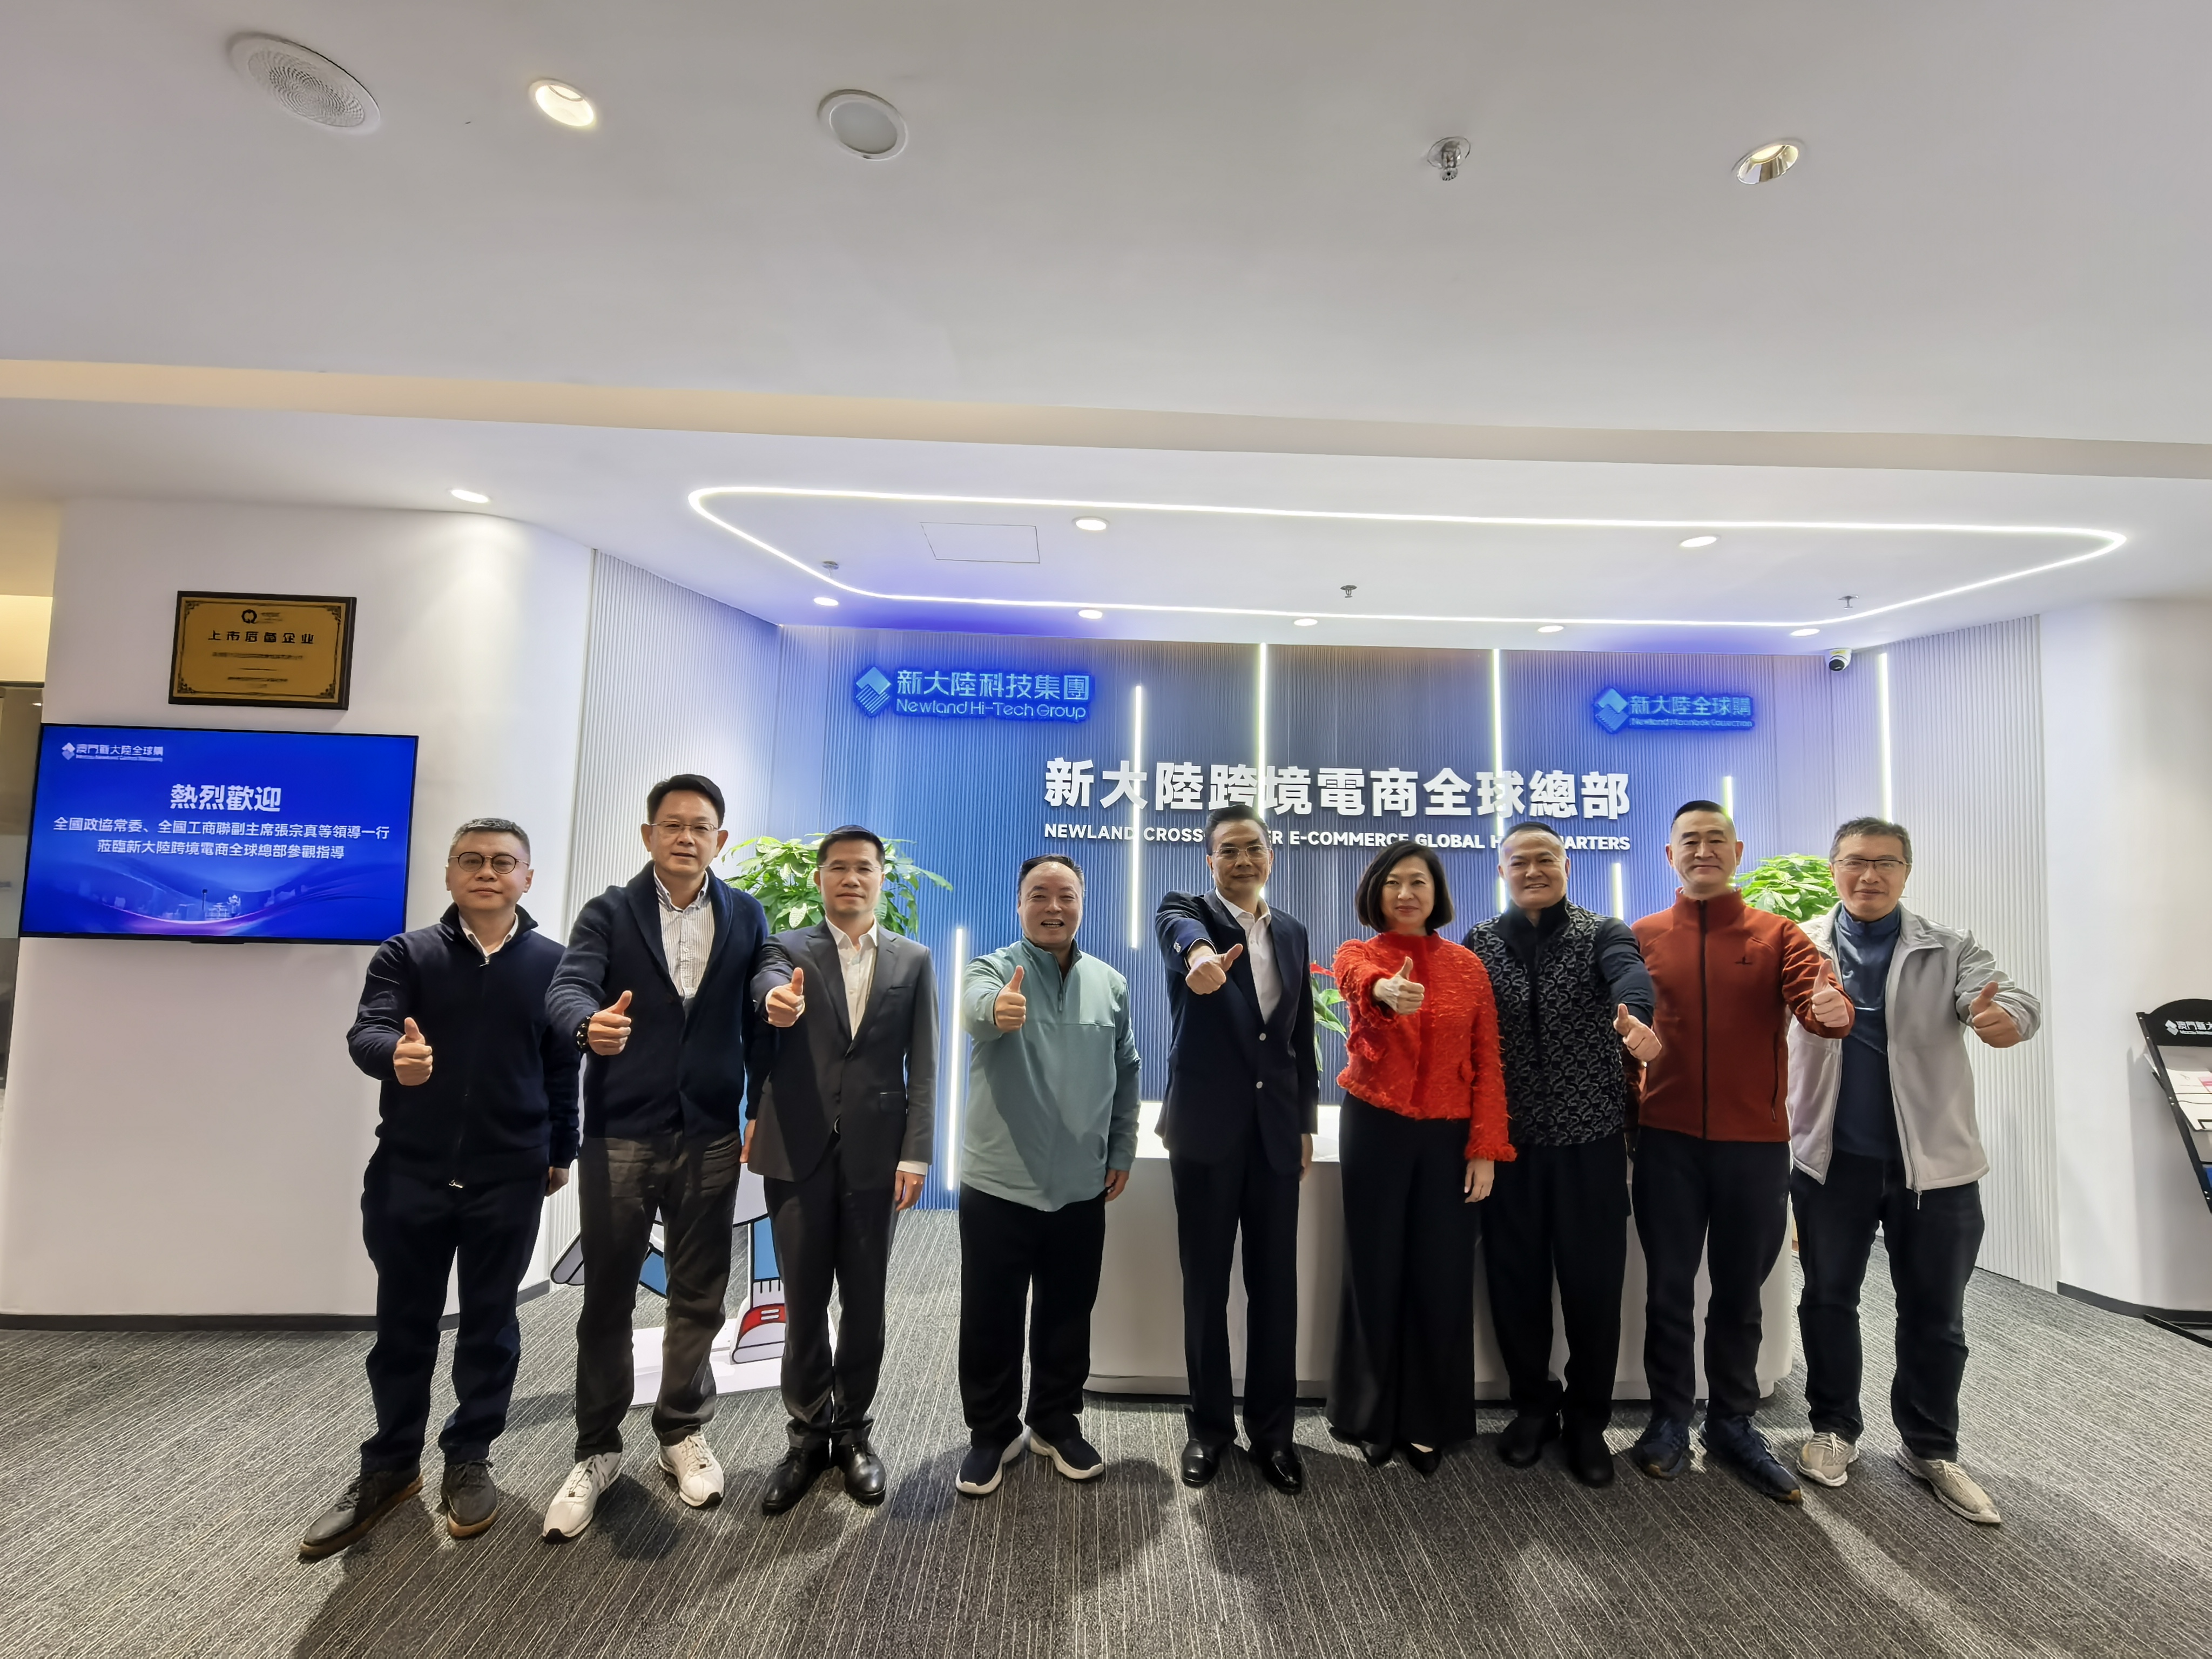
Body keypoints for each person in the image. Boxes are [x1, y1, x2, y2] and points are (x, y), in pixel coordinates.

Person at [301, 818, 578, 1559]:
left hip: (509, 1175)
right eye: (471, 860)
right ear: (451, 874)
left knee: (490, 1326)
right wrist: (395, 1057)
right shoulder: (407, 953)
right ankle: (391, 1465)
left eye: (503, 862)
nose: (487, 872)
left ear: (527, 877)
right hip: (411, 1173)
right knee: (403, 1328)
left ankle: (469, 1456)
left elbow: (562, 1068)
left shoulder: (555, 964)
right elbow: (368, 1031)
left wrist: (561, 1150)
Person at [1787, 817, 2039, 1525]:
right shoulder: (1797, 944)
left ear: (1906, 872)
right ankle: (1833, 1428)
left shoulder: (1947, 947)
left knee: (1935, 1313)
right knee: (1827, 1300)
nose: (1869, 875)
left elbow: (2010, 1000)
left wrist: (2006, 1018)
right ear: (1833, 869)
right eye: (1854, 861)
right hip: (1829, 1162)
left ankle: (1930, 1447)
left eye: (1886, 863)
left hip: (1936, 1166)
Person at [541, 773, 767, 1539]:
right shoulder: (609, 912)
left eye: (700, 827)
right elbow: (569, 988)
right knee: (608, 1294)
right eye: (672, 825)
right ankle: (596, 1448)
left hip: (709, 1133)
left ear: (719, 840)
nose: (685, 837)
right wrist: (588, 1026)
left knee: (700, 1294)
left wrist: (775, 1006)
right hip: (623, 1134)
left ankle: (680, 1430)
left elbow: (764, 985)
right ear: (648, 835)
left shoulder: (745, 913)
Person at [1630, 800, 1853, 1502]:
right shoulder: (1642, 937)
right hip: (1665, 1143)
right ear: (1669, 856)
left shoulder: (1778, 934)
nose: (1702, 850)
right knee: (1668, 1291)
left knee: (1740, 1297)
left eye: (1715, 840)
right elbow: (1621, 1028)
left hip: (1754, 1146)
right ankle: (1669, 1418)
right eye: (1689, 841)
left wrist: (1831, 1011)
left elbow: (1817, 1002)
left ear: (1737, 852)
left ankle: (1731, 1422)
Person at [1462, 822, 1659, 1488]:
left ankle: (1586, 1420)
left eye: (1545, 858)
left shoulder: (1602, 932)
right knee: (1514, 1286)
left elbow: (1629, 974)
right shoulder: (1480, 943)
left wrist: (1634, 1017)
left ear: (1566, 866)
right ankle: (1532, 1408)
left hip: (1589, 1144)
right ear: (1502, 872)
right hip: (1510, 1149)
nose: (1532, 870)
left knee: (1592, 1290)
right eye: (1518, 861)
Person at [747, 826, 938, 1514]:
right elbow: (765, 997)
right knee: (802, 1299)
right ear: (819, 877)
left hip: (877, 1154)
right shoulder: (784, 948)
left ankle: (853, 1431)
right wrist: (776, 1002)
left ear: (881, 878)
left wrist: (916, 1152)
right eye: (837, 868)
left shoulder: (913, 959)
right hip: (796, 1149)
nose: (850, 878)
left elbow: (925, 1064)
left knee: (865, 1299)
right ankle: (805, 1436)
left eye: (863, 868)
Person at [954, 854, 1140, 1497]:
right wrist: (996, 1010)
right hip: (997, 1182)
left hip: (1080, 1185)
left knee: (1067, 1313)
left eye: (1066, 895)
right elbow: (973, 1009)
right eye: (1038, 894)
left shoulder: (1110, 984)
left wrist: (1121, 1148)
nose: (1053, 906)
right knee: (990, 1315)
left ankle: (1055, 1422)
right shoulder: (990, 969)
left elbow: (1127, 1071)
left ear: (1082, 904)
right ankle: (991, 1432)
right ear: (1019, 904)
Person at [1327, 840, 1512, 1475]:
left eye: (1418, 882)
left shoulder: (1467, 966)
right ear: (1375, 893)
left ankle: (1431, 1419)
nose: (1406, 894)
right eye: (1394, 882)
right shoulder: (1358, 954)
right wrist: (1383, 992)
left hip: (1449, 1135)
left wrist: (1485, 1148)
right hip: (1374, 1125)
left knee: (1442, 1272)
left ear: (1437, 895)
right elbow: (1358, 987)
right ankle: (1370, 1414)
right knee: (1373, 1268)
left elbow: (1488, 1062)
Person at [1154, 803, 1319, 1496]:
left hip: (1275, 1134)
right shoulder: (1184, 911)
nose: (1243, 860)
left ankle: (1274, 1434)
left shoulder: (1291, 931)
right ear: (1209, 859)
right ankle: (1209, 1430)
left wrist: (1305, 1123)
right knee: (1206, 1286)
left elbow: (1298, 1037)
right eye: (1229, 850)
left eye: (1254, 848)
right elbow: (1180, 934)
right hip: (1206, 1131)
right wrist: (1198, 958)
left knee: (1274, 1287)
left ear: (1270, 856)